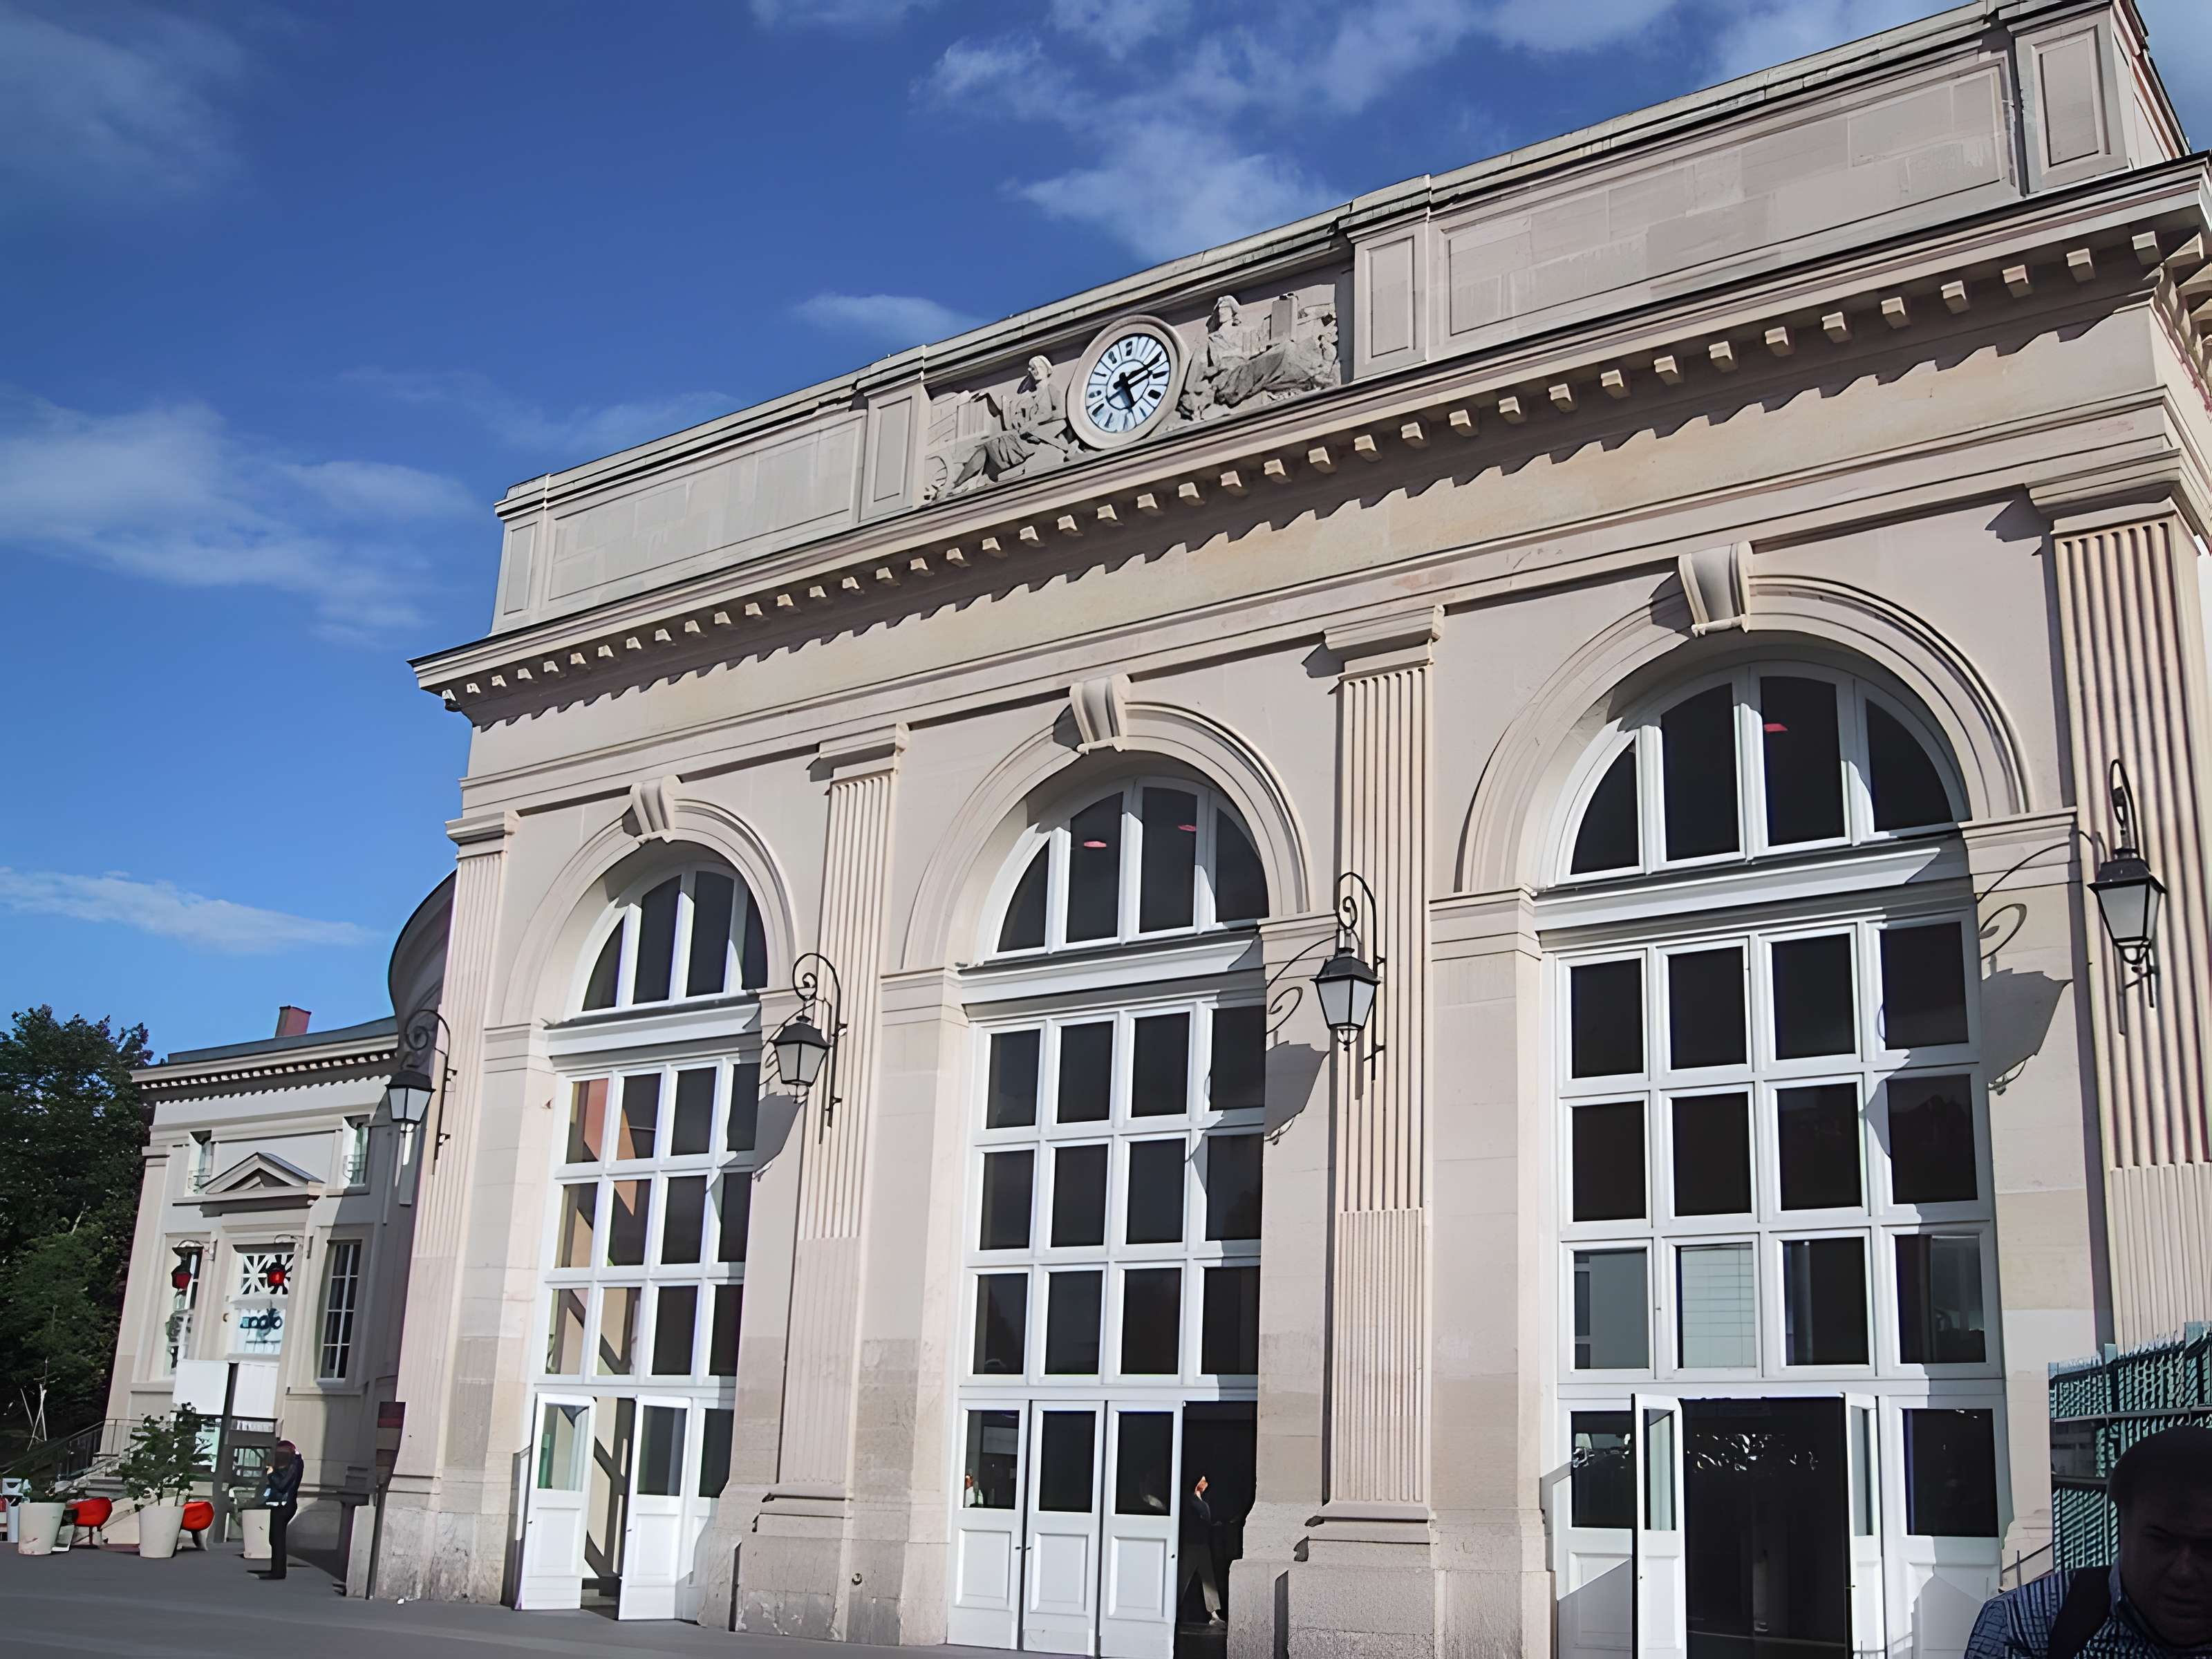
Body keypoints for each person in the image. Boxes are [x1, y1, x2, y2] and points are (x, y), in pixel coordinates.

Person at [1967, 1427, 2212, 1659]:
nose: (2184, 1572)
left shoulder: (2024, 1620)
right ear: (2122, 1528)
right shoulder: (2021, 1621)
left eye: (2208, 1548)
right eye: (2161, 1543)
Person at [1179, 1473, 1225, 1626]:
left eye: (1206, 1481)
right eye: (1202, 1480)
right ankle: (1172, 1610)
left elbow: (1205, 1522)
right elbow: (1191, 1522)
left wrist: (1212, 1526)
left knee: (1208, 1579)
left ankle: (1214, 1615)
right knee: (1183, 1578)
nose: (1205, 1483)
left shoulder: (1202, 1502)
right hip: (1192, 1544)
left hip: (1202, 1545)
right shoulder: (1188, 1501)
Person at [257, 1439, 303, 1580]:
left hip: (284, 1505)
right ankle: (277, 1570)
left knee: (277, 1540)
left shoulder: (294, 1465)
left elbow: (282, 1485)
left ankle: (278, 1572)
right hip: (280, 1504)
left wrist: (271, 1473)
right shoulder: (293, 1463)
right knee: (275, 1539)